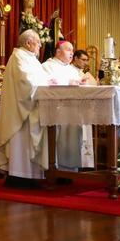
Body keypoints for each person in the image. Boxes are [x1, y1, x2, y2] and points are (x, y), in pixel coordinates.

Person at [0, 30, 50, 188]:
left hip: (32, 107)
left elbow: (41, 79)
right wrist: (43, 86)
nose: (40, 45)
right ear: (28, 43)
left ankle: (30, 176)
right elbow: (26, 82)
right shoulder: (18, 56)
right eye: (37, 42)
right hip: (20, 111)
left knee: (29, 142)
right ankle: (19, 177)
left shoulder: (32, 59)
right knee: (21, 141)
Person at [42, 41, 94, 171]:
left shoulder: (71, 69)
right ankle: (55, 169)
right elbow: (47, 85)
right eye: (68, 50)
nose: (72, 53)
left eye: (72, 50)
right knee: (58, 141)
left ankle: (70, 170)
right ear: (58, 51)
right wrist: (69, 82)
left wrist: (81, 83)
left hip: (73, 111)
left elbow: (75, 84)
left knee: (73, 140)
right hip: (56, 112)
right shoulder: (47, 66)